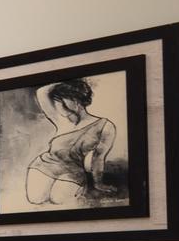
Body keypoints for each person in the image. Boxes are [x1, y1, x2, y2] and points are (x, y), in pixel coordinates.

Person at [24, 77, 116, 207]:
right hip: (44, 165)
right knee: (36, 199)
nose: (57, 105)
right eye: (56, 101)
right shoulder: (60, 119)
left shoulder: (105, 126)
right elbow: (42, 92)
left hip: (73, 171)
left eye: (61, 101)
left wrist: (98, 183)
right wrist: (67, 82)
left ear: (76, 100)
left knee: (59, 201)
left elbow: (98, 158)